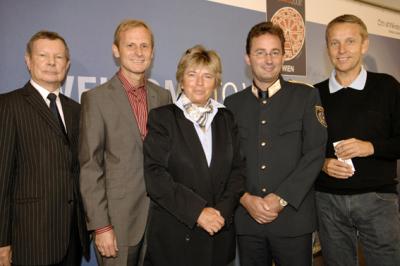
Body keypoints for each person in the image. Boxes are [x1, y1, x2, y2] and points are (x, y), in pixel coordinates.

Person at [224, 21, 327, 266]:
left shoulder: (305, 96)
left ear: (283, 56)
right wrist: (245, 199)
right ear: (248, 58)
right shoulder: (232, 105)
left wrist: (279, 199)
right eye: (260, 52)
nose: (268, 60)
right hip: (247, 221)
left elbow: (315, 154)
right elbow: (226, 162)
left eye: (275, 52)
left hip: (293, 220)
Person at [79, 19, 172, 266]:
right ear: (116, 50)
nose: (138, 52)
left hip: (159, 219)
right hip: (117, 222)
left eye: (144, 46)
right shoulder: (96, 99)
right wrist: (100, 226)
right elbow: (90, 167)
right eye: (130, 45)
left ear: (152, 52)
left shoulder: (163, 97)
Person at [143, 45, 246, 266]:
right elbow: (155, 176)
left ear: (216, 82)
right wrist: (198, 212)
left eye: (207, 76)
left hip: (219, 232)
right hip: (176, 238)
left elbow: (238, 171)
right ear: (181, 80)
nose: (199, 83)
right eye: (192, 74)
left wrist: (221, 213)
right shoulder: (163, 118)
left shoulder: (226, 119)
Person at [314, 14, 400, 266]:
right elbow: (302, 147)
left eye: (350, 41)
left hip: (378, 200)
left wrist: (370, 147)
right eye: (334, 43)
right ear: (327, 47)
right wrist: (322, 163)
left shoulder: (388, 87)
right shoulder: (314, 94)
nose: (342, 50)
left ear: (364, 45)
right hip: (328, 201)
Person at [0, 31, 90, 266]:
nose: (52, 62)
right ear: (28, 61)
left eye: (59, 57)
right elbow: (2, 179)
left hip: (71, 239)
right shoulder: (8, 105)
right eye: (43, 55)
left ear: (67, 65)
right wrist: (2, 242)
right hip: (29, 239)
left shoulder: (77, 110)